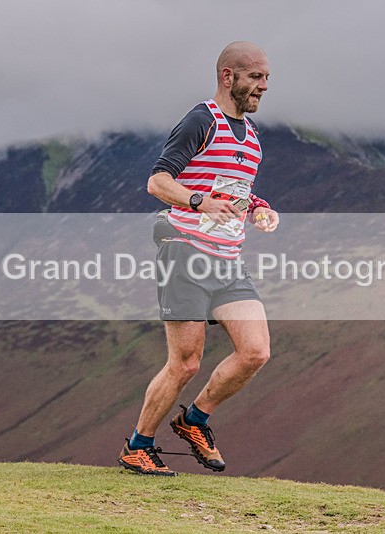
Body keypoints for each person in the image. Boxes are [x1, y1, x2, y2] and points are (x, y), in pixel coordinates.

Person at [118, 41, 279, 476]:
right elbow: (157, 181)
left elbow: (236, 191)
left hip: (226, 256)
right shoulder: (201, 119)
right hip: (184, 248)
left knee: (256, 352)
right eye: (255, 77)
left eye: (266, 77)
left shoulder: (254, 136)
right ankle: (138, 445)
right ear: (228, 76)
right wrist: (196, 201)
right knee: (186, 362)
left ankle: (195, 420)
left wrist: (259, 207)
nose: (264, 85)